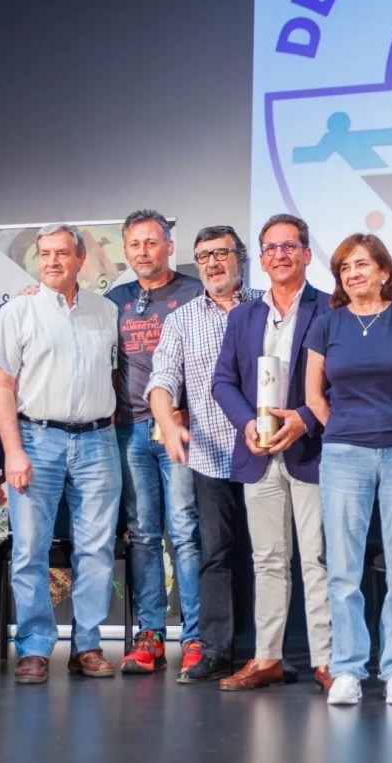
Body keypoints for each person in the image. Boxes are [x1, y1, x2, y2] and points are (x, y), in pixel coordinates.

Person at [304, 233, 392, 705]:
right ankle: (347, 669)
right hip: (344, 455)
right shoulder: (327, 324)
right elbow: (313, 395)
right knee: (344, 570)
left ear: (384, 271)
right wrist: (343, 429)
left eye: (362, 264)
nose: (353, 273)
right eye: (345, 267)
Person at [0, 224, 121, 684]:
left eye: (62, 253)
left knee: (97, 548)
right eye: (44, 254)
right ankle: (35, 648)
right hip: (36, 440)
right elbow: (1, 386)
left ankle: (88, 646)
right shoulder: (18, 312)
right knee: (29, 549)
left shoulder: (106, 311)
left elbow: (114, 376)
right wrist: (13, 451)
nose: (52, 261)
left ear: (81, 259)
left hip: (98, 442)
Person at [212, 214, 333, 692]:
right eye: (271, 248)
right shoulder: (243, 316)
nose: (280, 255)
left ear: (306, 254)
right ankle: (267, 658)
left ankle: (326, 661)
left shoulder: (330, 308)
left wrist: (304, 418)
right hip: (258, 452)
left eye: (289, 246)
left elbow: (341, 380)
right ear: (260, 259)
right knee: (267, 560)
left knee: (318, 559)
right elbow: (223, 382)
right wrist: (247, 423)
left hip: (311, 450)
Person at [145, 225, 261, 685]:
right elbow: (161, 380)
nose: (212, 263)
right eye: (203, 256)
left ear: (240, 258)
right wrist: (169, 421)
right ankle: (216, 652)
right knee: (217, 555)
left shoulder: (266, 307)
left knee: (272, 556)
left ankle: (272, 652)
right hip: (212, 456)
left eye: (221, 253)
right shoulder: (183, 320)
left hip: (268, 453)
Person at [105, 209, 204, 678]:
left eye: (151, 242)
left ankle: (196, 636)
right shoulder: (115, 300)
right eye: (134, 244)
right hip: (129, 431)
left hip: (178, 431)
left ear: (169, 246)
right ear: (126, 250)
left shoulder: (195, 292)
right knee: (143, 535)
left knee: (185, 532)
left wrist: (188, 412)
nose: (142, 252)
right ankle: (150, 636)